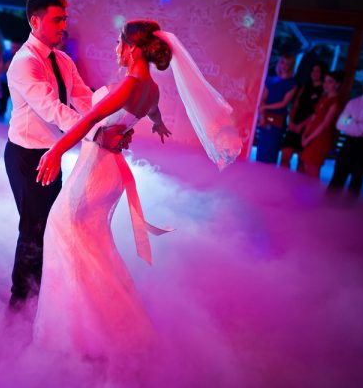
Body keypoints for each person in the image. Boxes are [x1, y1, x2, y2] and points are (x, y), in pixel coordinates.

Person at [35, 20, 238, 357]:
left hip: (97, 169)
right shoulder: (150, 88)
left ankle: (77, 333)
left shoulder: (130, 84)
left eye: (119, 42)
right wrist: (154, 121)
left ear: (131, 47)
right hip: (110, 171)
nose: (116, 49)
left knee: (63, 230)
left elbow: (87, 121)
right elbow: (146, 108)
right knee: (90, 245)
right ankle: (101, 323)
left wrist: (55, 151)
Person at [4, 0, 134, 310]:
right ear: (35, 21)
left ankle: (46, 291)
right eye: (57, 19)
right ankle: (20, 300)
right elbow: (53, 110)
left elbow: (85, 100)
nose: (64, 26)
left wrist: (115, 122)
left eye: (65, 19)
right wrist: (97, 134)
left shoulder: (62, 59)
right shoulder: (24, 63)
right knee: (34, 228)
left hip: (53, 154)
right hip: (27, 156)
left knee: (53, 225)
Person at [327, 71, 363, 197]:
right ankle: (326, 208)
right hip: (349, 143)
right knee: (337, 177)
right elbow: (340, 124)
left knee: (355, 183)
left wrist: (352, 122)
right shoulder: (354, 102)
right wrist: (357, 124)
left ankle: (348, 213)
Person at [280, 62, 325, 169]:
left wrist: (302, 125)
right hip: (294, 124)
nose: (315, 73)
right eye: (313, 71)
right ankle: (282, 181)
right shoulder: (304, 87)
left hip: (308, 128)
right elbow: (295, 105)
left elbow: (317, 113)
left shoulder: (323, 91)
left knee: (302, 161)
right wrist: (290, 121)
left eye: (318, 71)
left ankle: (297, 185)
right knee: (285, 155)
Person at [299, 71, 343, 178]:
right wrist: (305, 134)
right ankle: (305, 193)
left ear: (337, 84)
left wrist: (308, 138)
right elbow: (314, 117)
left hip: (321, 138)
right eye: (325, 81)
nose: (326, 84)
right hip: (312, 134)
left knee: (313, 168)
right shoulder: (324, 98)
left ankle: (314, 193)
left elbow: (325, 124)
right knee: (306, 165)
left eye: (330, 82)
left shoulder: (335, 102)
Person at [257, 54, 297, 164]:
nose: (283, 65)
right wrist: (262, 115)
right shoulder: (269, 80)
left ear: (290, 65)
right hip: (265, 118)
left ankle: (268, 177)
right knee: (261, 150)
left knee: (272, 150)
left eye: (286, 63)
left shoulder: (292, 84)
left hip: (277, 121)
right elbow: (263, 98)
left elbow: (283, 103)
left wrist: (265, 107)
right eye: (281, 62)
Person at [0, 41, 21, 122]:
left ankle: (17, 119)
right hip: (5, 81)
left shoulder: (23, 54)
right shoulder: (5, 54)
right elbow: (0, 68)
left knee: (17, 102)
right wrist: (6, 66)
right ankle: (0, 115)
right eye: (14, 47)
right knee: (2, 99)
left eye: (17, 47)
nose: (15, 49)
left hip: (17, 83)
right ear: (11, 46)